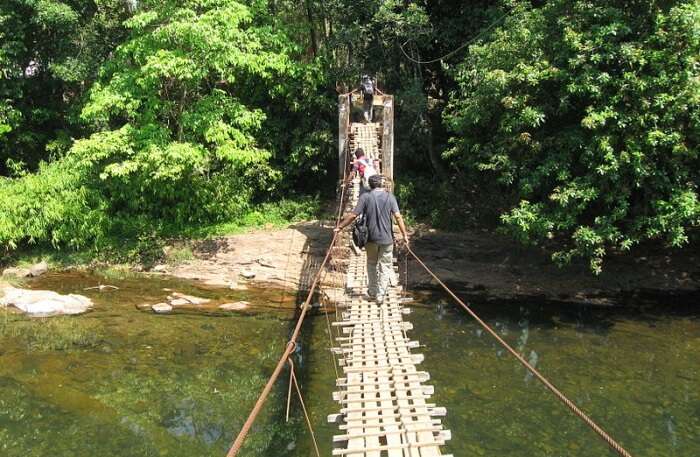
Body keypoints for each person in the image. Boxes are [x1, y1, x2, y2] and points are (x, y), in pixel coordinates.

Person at [334, 174, 409, 304]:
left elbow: (353, 215)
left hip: (371, 239)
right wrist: (404, 235)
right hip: (387, 240)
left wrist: (339, 227)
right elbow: (398, 217)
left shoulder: (365, 197)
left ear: (370, 185)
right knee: (385, 266)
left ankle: (373, 291)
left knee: (371, 264)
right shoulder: (390, 197)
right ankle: (380, 295)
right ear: (381, 184)